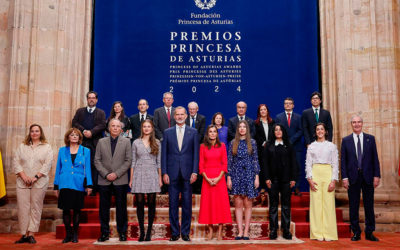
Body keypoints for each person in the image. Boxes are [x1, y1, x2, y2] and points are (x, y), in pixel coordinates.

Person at [161, 106, 199, 241]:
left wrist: (195, 171)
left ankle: (185, 232)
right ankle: (175, 233)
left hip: (188, 174)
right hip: (171, 174)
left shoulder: (193, 132)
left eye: (182, 114)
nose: (180, 116)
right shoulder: (167, 132)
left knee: (187, 205)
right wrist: (164, 172)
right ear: (174, 115)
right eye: (177, 114)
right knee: (173, 204)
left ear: (186, 116)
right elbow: (164, 154)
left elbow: (196, 154)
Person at [341, 115, 380, 242]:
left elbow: (375, 159)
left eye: (358, 122)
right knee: (353, 205)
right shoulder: (346, 140)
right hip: (353, 177)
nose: (356, 124)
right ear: (351, 124)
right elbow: (343, 161)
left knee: (369, 205)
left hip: (368, 177)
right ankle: (356, 232)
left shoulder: (370, 139)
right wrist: (344, 177)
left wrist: (376, 175)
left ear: (362, 123)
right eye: (354, 122)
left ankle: (369, 232)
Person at [13, 124, 53, 244]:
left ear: (41, 133)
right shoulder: (22, 146)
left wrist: (35, 177)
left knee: (35, 207)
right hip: (22, 181)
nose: (34, 133)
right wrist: (24, 176)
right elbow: (16, 162)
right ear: (29, 133)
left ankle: (31, 234)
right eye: (32, 131)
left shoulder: (47, 147)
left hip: (39, 182)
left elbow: (47, 164)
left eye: (37, 131)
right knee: (23, 207)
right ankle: (24, 234)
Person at [94, 119, 132, 242]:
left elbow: (128, 161)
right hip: (104, 180)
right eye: (113, 126)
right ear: (109, 128)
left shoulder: (126, 142)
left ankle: (122, 233)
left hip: (120, 179)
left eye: (117, 126)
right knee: (103, 208)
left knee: (121, 208)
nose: (115, 128)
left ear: (121, 129)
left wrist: (116, 173)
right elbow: (97, 160)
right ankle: (104, 233)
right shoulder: (101, 141)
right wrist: (106, 174)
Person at [54, 128, 93, 243]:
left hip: (78, 184)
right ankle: (68, 234)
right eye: (72, 135)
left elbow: (88, 169)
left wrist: (89, 185)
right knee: (66, 210)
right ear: (68, 137)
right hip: (65, 183)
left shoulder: (86, 151)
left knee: (76, 210)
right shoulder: (62, 150)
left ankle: (75, 234)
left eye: (76, 135)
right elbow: (58, 169)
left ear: (79, 138)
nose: (74, 136)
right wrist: (56, 186)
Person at [263, 124, 297, 240]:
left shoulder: (289, 145)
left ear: (283, 132)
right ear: (273, 132)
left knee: (286, 206)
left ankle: (286, 230)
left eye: (280, 130)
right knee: (273, 206)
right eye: (276, 130)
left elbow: (294, 163)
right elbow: (265, 164)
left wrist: (293, 178)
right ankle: (273, 230)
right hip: (272, 180)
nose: (278, 132)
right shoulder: (268, 146)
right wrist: (267, 178)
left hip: (286, 180)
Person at [129, 120, 162, 241]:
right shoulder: (136, 142)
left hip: (153, 173)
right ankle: (142, 232)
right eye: (144, 126)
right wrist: (131, 179)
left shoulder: (157, 142)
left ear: (152, 129)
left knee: (152, 203)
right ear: (142, 128)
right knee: (140, 203)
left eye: (149, 126)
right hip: (139, 173)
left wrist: (159, 178)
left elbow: (159, 162)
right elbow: (133, 161)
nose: (146, 128)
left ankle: (149, 232)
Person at [227, 120, 259, 240]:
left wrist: (256, 176)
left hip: (249, 174)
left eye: (244, 127)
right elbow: (230, 161)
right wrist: (229, 178)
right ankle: (240, 231)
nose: (241, 129)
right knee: (238, 204)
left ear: (247, 129)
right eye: (239, 127)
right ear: (237, 129)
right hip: (236, 175)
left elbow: (255, 159)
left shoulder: (252, 142)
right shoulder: (232, 143)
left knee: (248, 204)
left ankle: (246, 232)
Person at [305, 123, 338, 241]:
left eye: (322, 129)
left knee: (328, 204)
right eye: (318, 129)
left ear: (325, 131)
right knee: (316, 204)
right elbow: (308, 164)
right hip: (315, 173)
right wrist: (310, 179)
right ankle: (317, 233)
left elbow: (335, 164)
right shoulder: (311, 146)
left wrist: (333, 180)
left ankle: (329, 233)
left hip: (328, 173)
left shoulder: (332, 146)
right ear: (315, 132)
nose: (320, 131)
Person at [198, 125, 232, 241]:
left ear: (217, 134)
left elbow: (225, 163)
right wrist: (207, 178)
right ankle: (210, 231)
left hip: (219, 178)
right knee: (208, 205)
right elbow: (201, 164)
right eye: (210, 132)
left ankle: (219, 231)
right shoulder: (202, 146)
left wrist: (218, 178)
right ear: (207, 134)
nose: (212, 134)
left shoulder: (222, 146)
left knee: (220, 205)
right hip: (207, 179)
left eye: (214, 132)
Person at [72, 91, 106, 194]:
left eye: (93, 98)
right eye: (89, 98)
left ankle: (93, 189)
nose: (91, 99)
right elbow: (74, 123)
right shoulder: (80, 111)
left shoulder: (101, 112)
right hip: (81, 143)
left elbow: (102, 125)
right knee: (81, 165)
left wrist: (92, 132)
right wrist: (84, 131)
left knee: (94, 166)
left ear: (96, 100)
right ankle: (80, 188)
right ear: (87, 99)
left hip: (95, 144)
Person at [275, 97, 303, 196]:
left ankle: (297, 188)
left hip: (296, 146)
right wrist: (286, 141)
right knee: (284, 167)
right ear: (284, 105)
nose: (288, 105)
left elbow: (301, 130)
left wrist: (291, 140)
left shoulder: (299, 117)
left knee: (297, 167)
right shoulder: (279, 117)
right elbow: (277, 131)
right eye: (286, 103)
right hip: (283, 146)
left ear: (293, 105)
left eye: (290, 103)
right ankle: (286, 188)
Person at [185, 101, 206, 194]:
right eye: (190, 109)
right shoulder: (184, 118)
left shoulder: (202, 118)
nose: (192, 111)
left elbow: (201, 133)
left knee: (197, 167)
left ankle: (197, 190)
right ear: (188, 110)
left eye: (194, 109)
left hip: (198, 147)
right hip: (186, 147)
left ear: (197, 109)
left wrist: (194, 143)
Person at [254, 104, 274, 191]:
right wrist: (263, 143)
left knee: (271, 167)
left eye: (264, 109)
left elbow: (274, 134)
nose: (263, 111)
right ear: (259, 112)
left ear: (267, 111)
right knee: (262, 168)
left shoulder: (272, 122)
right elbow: (256, 136)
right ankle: (262, 189)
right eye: (261, 110)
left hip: (271, 149)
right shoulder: (256, 123)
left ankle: (271, 187)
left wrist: (269, 143)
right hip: (261, 149)